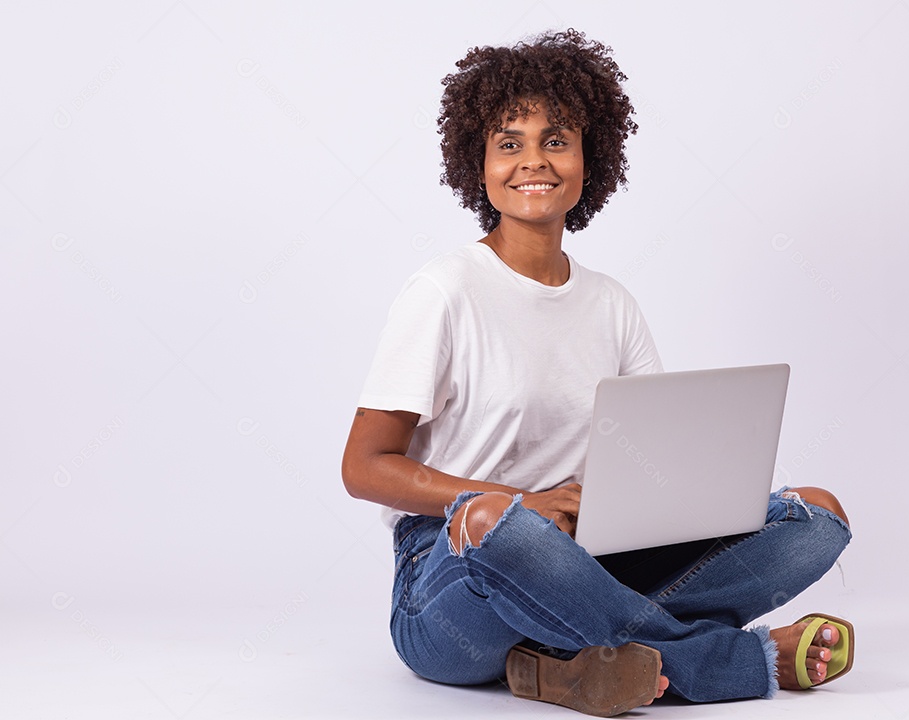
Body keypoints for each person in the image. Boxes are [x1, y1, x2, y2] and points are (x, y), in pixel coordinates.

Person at [341, 29, 854, 716]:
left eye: (556, 140)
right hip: (454, 577)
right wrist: (522, 504)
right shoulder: (443, 291)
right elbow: (363, 466)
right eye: (509, 142)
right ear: (480, 162)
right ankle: (728, 662)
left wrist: (678, 501)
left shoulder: (611, 304)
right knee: (498, 521)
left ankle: (566, 658)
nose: (535, 160)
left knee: (817, 516)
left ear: (590, 158)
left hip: (588, 556)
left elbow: (652, 464)